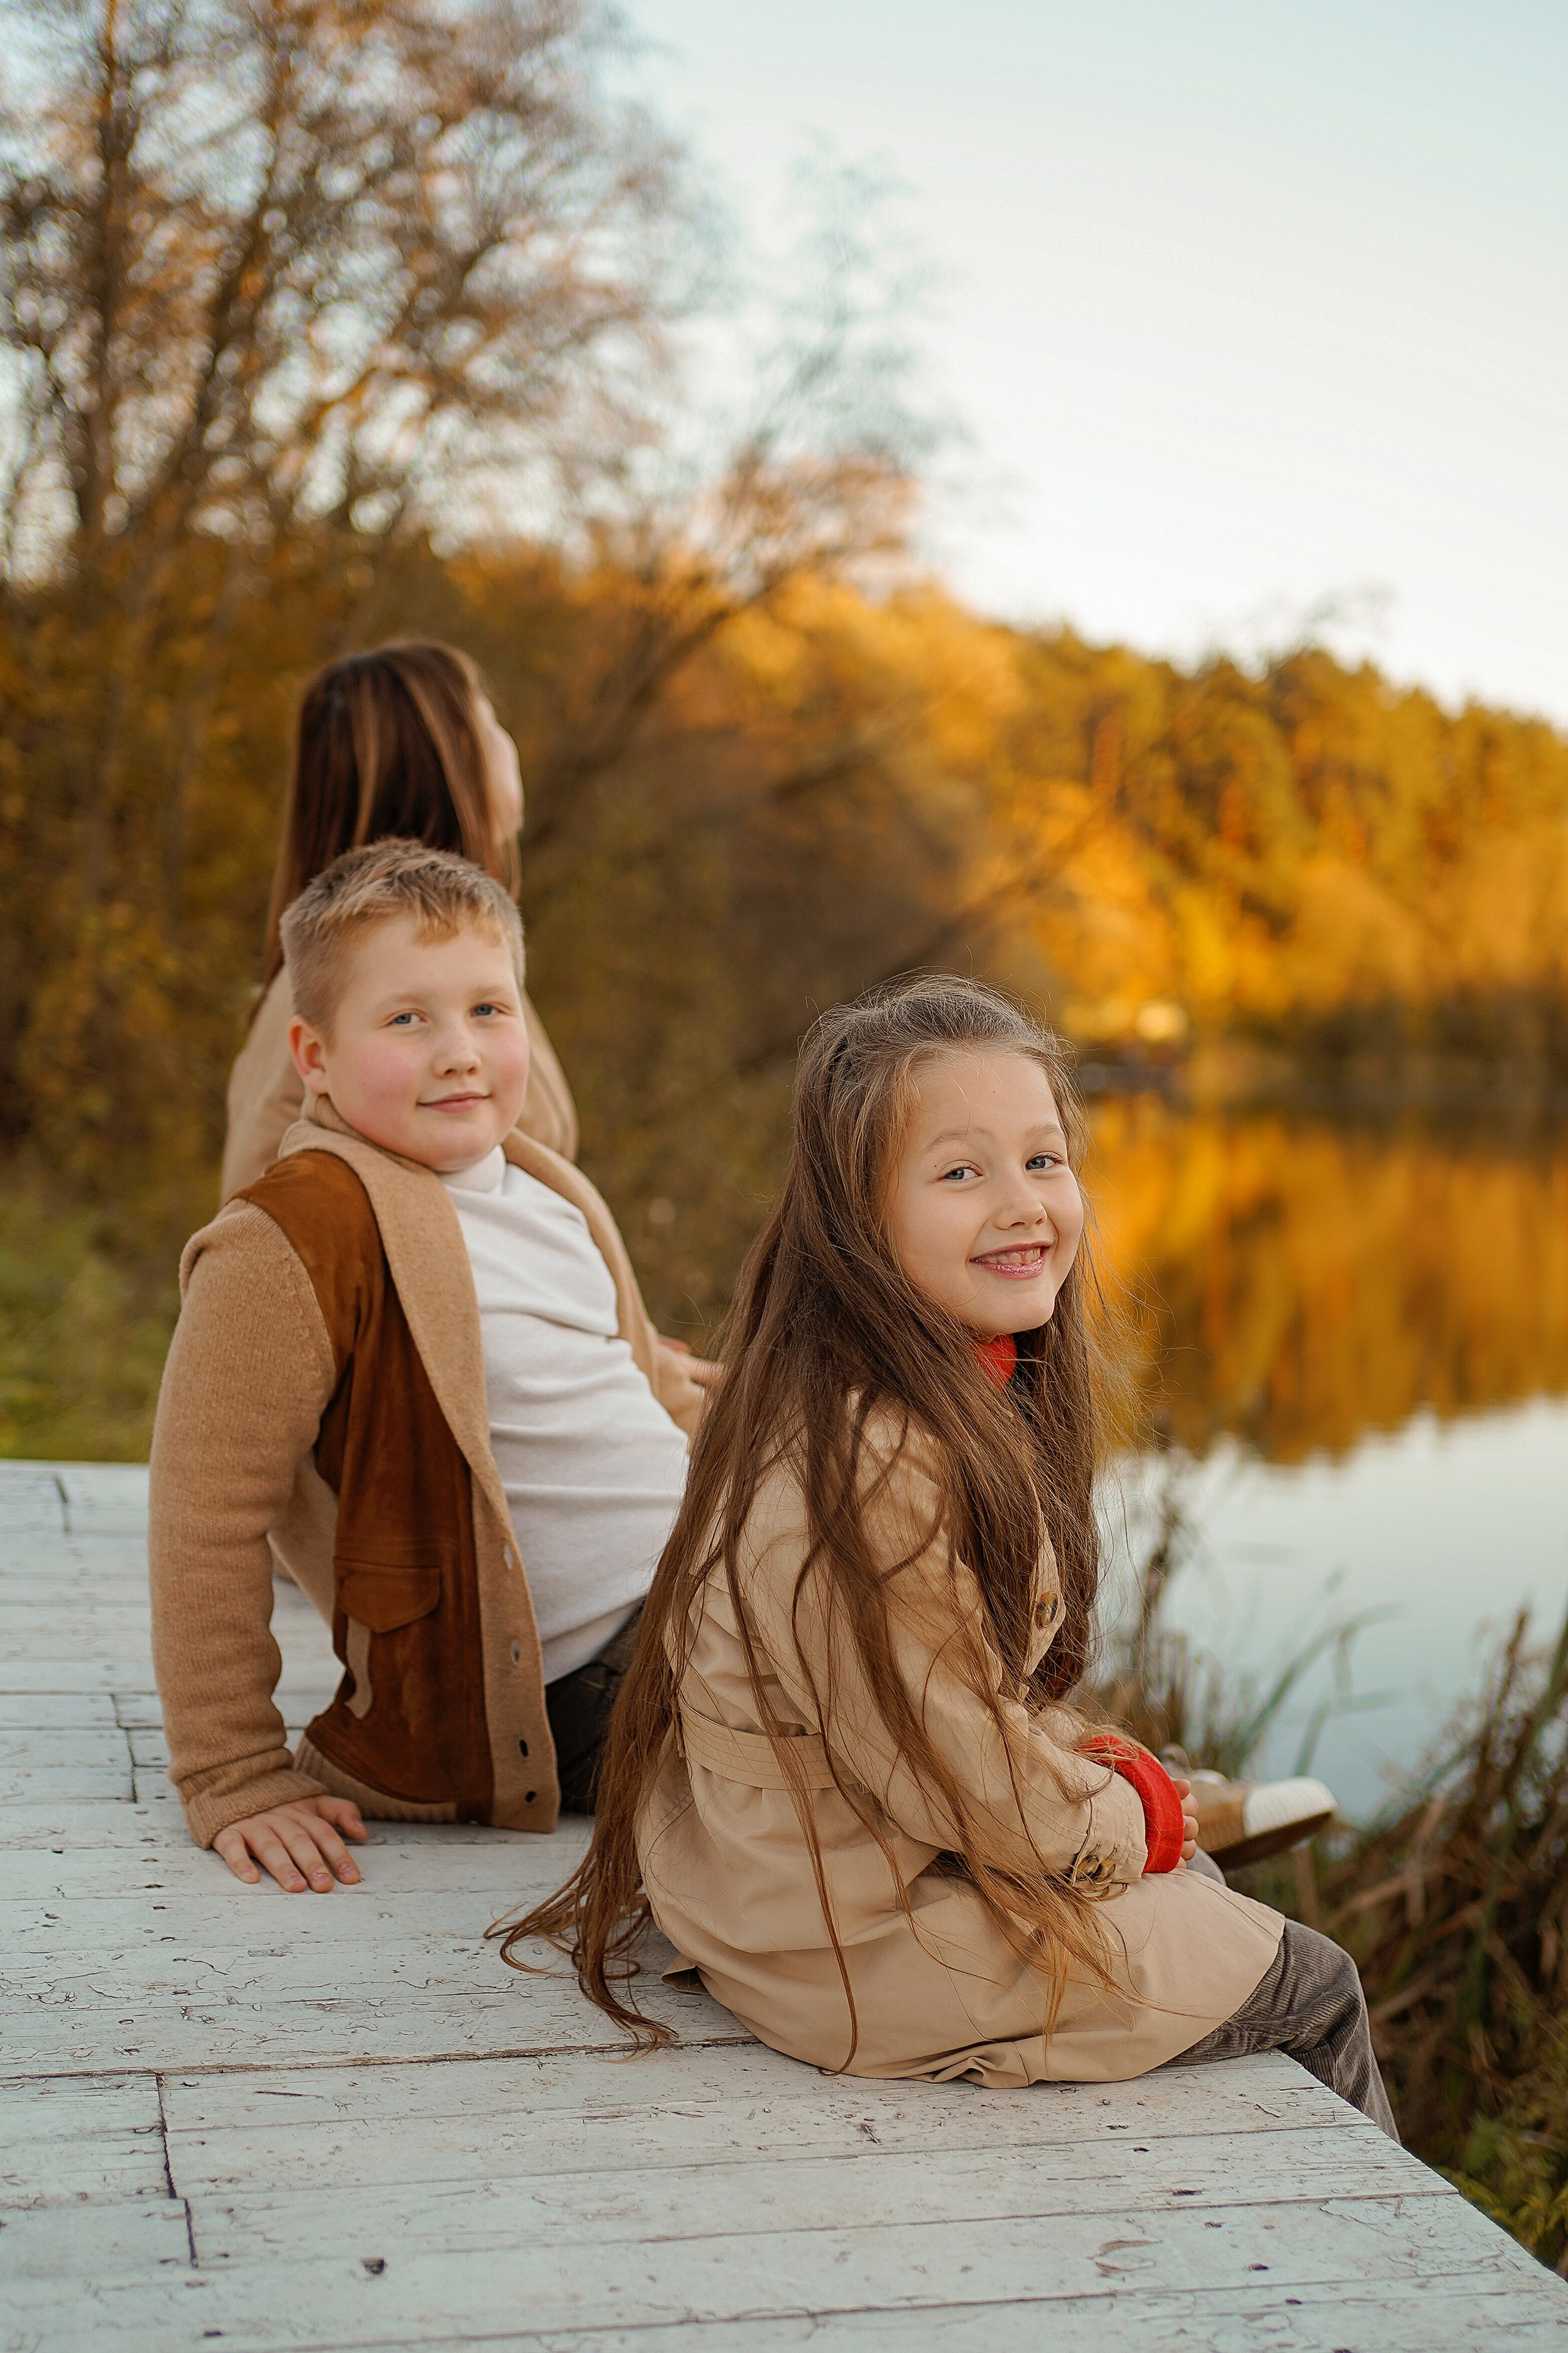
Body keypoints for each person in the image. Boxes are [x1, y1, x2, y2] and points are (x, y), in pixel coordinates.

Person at [502, 975, 1395, 2135]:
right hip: (844, 1932)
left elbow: (943, 1707)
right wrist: (1135, 1811)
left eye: (1043, 1160)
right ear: (858, 1218)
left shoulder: (892, 1381)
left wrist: (1109, 1786)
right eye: (962, 1173)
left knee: (1199, 1892)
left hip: (794, 1876)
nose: (1023, 1205)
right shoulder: (873, 1458)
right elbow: (961, 1772)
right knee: (1314, 1985)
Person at [151, 841, 706, 1895]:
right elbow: (203, 1513)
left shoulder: (551, 1190)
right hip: (580, 1688)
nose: (460, 1053)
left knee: (914, 1551)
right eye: (408, 1019)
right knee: (857, 1697)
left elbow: (654, 1392)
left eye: (489, 1010)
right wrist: (233, 1771)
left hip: (709, 1591)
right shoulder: (294, 1236)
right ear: (314, 1056)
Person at [221, 640, 578, 1203]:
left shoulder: (457, 958)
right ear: (455, 758)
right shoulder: (335, 987)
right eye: (491, 724)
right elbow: (266, 1221)